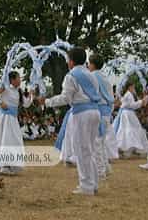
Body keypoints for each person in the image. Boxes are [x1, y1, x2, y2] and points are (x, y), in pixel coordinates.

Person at [39, 47, 101, 196]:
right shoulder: (91, 74)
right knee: (90, 149)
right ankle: (93, 183)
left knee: (81, 150)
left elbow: (65, 98)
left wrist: (47, 102)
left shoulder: (71, 75)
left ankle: (86, 186)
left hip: (82, 113)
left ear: (71, 61)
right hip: (95, 111)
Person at [0, 71, 33, 175]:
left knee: (13, 140)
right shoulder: (5, 88)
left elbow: (26, 104)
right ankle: (4, 166)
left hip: (12, 118)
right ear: (12, 80)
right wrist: (0, 103)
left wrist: (31, 95)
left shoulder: (19, 91)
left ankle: (6, 164)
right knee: (5, 140)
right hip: (4, 117)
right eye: (18, 78)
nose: (20, 80)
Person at [88, 54, 115, 179]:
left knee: (96, 143)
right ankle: (106, 168)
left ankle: (100, 172)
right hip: (107, 112)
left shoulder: (92, 76)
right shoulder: (106, 78)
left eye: (89, 63)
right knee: (102, 143)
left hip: (98, 111)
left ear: (92, 64)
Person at [113, 81, 148, 158]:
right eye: (133, 87)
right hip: (128, 114)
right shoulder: (129, 94)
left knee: (127, 130)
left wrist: (140, 102)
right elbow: (132, 105)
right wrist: (141, 102)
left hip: (126, 113)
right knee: (131, 130)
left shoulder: (127, 94)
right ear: (130, 87)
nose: (134, 88)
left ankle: (127, 149)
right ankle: (129, 149)